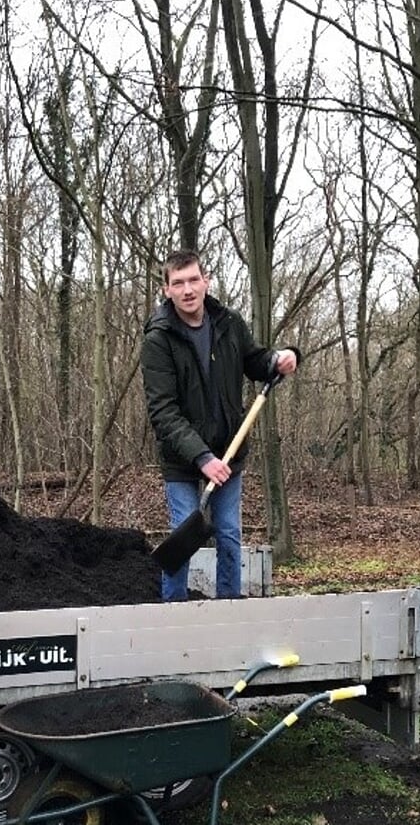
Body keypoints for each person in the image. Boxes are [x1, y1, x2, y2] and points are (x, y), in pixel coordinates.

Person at [140, 247, 299, 602]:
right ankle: (173, 614)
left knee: (228, 535)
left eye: (193, 279)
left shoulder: (228, 323)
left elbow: (256, 361)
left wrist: (279, 358)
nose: (188, 289)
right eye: (178, 283)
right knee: (183, 536)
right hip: (183, 459)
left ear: (206, 281)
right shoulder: (158, 340)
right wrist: (202, 459)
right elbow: (164, 412)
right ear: (166, 289)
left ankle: (229, 610)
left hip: (228, 451)